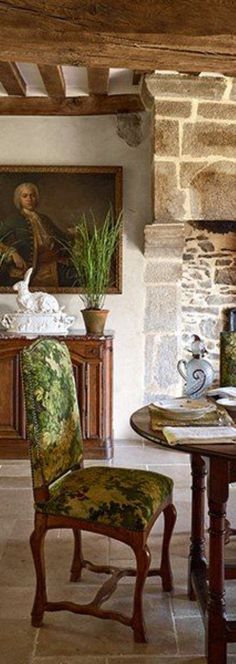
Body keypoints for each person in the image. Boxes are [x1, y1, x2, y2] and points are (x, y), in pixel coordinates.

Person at [0, 182, 72, 287]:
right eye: (25, 196)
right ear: (18, 199)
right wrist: (12, 253)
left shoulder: (44, 218)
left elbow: (62, 238)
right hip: (29, 268)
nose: (29, 199)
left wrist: (75, 233)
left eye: (32, 195)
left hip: (50, 265)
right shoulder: (14, 220)